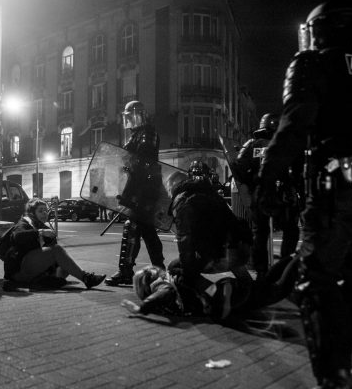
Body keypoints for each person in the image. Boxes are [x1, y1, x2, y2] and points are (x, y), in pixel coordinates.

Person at [257, 0, 352, 388]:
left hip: (335, 181)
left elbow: (295, 123)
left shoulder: (312, 62)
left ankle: (335, 376)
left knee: (316, 278)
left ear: (320, 29)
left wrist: (267, 175)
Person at [121, 255, 299, 322]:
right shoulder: (166, 280)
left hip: (226, 296)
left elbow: (165, 293)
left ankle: (298, 257)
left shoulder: (165, 281)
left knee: (275, 289)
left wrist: (141, 308)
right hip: (224, 292)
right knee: (270, 286)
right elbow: (165, 293)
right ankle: (295, 257)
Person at [233, 113, 301, 278]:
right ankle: (285, 268)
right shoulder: (285, 144)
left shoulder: (251, 145)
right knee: (290, 230)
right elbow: (297, 170)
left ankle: (262, 272)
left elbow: (238, 167)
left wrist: (251, 183)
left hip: (260, 194)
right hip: (283, 195)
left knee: (260, 234)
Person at [105, 100, 165, 286]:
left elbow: (141, 161)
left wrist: (128, 188)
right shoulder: (137, 134)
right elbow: (128, 160)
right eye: (127, 117)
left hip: (145, 188)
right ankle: (159, 270)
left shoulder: (147, 133)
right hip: (140, 188)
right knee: (146, 231)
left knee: (134, 228)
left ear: (139, 115)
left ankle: (127, 272)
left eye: (131, 116)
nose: (128, 120)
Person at [169, 160, 253, 293]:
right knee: (229, 247)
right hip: (241, 251)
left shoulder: (184, 204)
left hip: (218, 256)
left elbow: (185, 243)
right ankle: (250, 288)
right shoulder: (213, 196)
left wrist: (187, 276)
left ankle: (214, 293)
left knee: (175, 267)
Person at [2, 198, 106, 289]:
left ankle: (45, 280)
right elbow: (17, 236)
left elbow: (53, 255)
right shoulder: (24, 223)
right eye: (40, 211)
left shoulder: (41, 226)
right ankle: (86, 278)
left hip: (32, 267)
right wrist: (40, 232)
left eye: (45, 211)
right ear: (32, 213)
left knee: (66, 267)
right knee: (57, 250)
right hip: (18, 271)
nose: (44, 213)